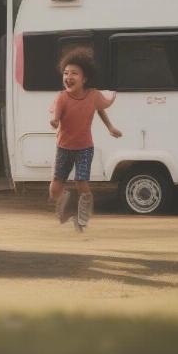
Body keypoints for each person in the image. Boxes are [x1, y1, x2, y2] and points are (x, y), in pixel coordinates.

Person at [49, 48, 122, 231]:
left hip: (84, 148)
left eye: (74, 73)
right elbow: (56, 117)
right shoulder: (62, 98)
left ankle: (82, 219)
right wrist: (55, 122)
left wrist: (110, 127)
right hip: (64, 147)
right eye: (65, 73)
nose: (68, 76)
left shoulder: (93, 95)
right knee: (55, 189)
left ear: (85, 79)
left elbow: (100, 109)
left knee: (81, 182)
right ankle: (65, 207)